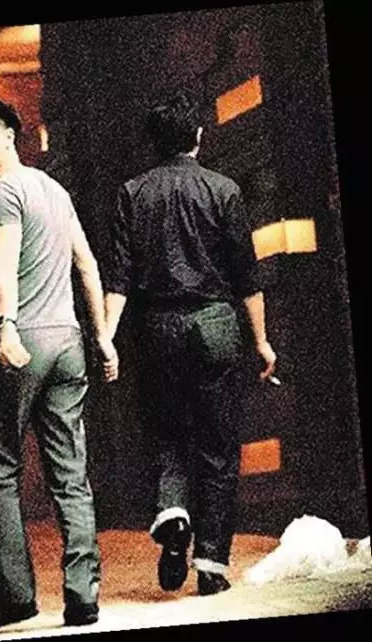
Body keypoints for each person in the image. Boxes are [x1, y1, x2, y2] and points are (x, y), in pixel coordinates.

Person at [103, 90, 276, 597]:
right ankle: (211, 565)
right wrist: (262, 341)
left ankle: (173, 513)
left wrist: (107, 337)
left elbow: (120, 276)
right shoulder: (223, 190)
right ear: (198, 136)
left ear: (153, 142)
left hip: (157, 329)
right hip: (215, 325)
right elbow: (247, 276)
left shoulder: (131, 193)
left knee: (166, 434)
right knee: (217, 447)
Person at [0, 98, 118, 629]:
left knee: (0, 466)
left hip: (25, 342)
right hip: (69, 342)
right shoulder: (55, 190)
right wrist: (102, 338)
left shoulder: (3, 192)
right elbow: (87, 265)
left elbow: (3, 266)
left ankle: (16, 596)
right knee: (71, 472)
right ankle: (83, 596)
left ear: (9, 134)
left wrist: (6, 326)